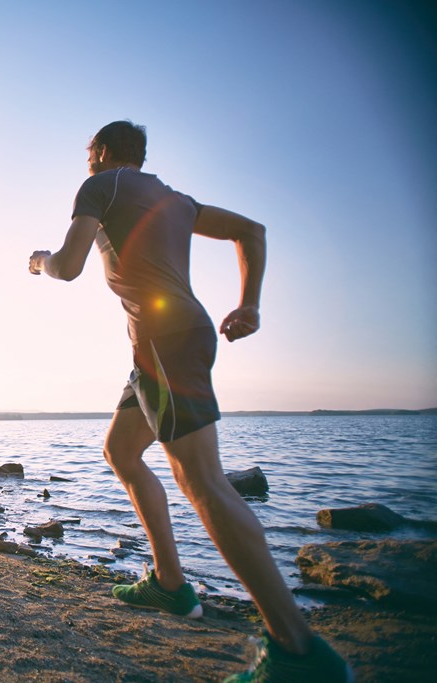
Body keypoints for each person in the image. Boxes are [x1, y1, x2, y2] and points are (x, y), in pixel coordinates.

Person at [28, 121, 352, 682]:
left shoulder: (102, 185)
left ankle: (299, 652)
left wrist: (39, 261)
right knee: (122, 451)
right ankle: (170, 584)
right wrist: (249, 304)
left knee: (202, 479)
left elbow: (70, 264)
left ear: (102, 152)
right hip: (162, 343)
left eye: (89, 155)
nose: (87, 163)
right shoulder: (177, 199)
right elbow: (252, 230)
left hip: (164, 340)